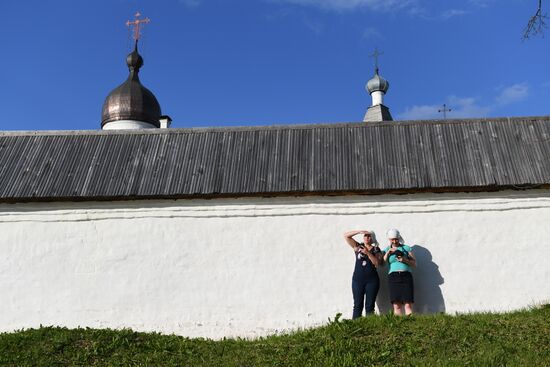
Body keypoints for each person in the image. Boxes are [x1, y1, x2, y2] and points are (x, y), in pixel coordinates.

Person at [344, 229, 383, 319]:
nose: (367, 237)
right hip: (358, 280)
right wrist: (359, 231)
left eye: (369, 236)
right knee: (357, 305)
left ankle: (370, 328)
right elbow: (346, 236)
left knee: (369, 306)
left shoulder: (376, 249)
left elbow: (377, 263)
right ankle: (356, 327)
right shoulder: (358, 246)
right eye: (365, 236)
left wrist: (368, 253)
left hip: (372, 281)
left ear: (372, 238)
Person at [382, 228, 416, 316]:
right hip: (393, 277)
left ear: (399, 238)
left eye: (396, 239)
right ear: (389, 240)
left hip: (406, 275)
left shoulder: (406, 248)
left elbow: (414, 264)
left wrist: (404, 260)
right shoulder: (386, 249)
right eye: (392, 239)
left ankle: (411, 323)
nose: (394, 241)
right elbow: (382, 263)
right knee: (396, 305)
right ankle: (399, 325)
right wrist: (388, 253)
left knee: (408, 304)